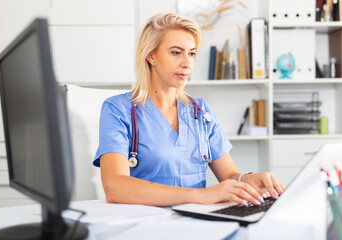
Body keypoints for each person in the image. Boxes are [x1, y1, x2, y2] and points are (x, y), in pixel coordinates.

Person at [93, 12, 285, 207]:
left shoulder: (200, 110)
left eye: (191, 53)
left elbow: (229, 175)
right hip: (144, 222)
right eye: (176, 52)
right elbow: (115, 187)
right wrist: (198, 195)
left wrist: (245, 179)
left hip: (195, 221)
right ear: (151, 55)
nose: (187, 63)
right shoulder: (118, 109)